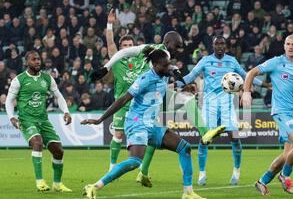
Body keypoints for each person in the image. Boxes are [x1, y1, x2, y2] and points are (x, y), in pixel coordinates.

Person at [90, 26, 225, 185]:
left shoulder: (148, 48)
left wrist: (106, 67)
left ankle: (143, 172)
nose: (179, 49)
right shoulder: (164, 54)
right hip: (146, 94)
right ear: (168, 42)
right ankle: (205, 133)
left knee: (155, 132)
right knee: (187, 100)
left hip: (146, 95)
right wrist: (181, 82)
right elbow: (168, 71)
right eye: (177, 45)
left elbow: (123, 53)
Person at [81, 49, 207, 199]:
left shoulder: (165, 74)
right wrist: (100, 119)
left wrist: (182, 82)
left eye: (169, 63)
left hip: (151, 126)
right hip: (137, 123)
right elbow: (123, 99)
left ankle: (188, 192)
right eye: (165, 65)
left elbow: (175, 78)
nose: (169, 67)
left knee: (185, 148)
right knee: (135, 161)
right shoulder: (145, 79)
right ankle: (94, 186)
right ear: (155, 65)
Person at [176, 36, 268, 186]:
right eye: (217, 44)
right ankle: (202, 173)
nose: (219, 46)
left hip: (227, 103)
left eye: (222, 44)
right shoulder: (206, 60)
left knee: (234, 137)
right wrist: (176, 83)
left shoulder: (232, 61)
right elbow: (191, 76)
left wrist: (264, 84)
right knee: (205, 139)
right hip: (210, 105)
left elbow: (246, 76)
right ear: (213, 46)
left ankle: (236, 170)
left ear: (226, 46)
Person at [241, 34, 293, 196]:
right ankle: (285, 176)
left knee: (288, 154)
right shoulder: (276, 62)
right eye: (288, 44)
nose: (290, 47)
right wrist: (246, 92)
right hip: (281, 111)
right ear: (284, 46)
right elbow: (251, 73)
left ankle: (262, 181)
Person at [5, 51, 72, 192]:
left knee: (58, 150)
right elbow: (9, 101)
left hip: (43, 120)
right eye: (34, 59)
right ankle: (40, 181)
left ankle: (57, 184)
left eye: (39, 59)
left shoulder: (47, 79)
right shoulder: (19, 80)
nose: (37, 61)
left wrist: (66, 111)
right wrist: (11, 116)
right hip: (27, 120)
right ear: (26, 62)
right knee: (37, 142)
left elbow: (58, 96)